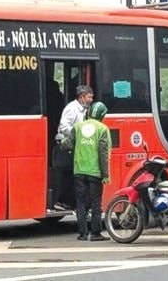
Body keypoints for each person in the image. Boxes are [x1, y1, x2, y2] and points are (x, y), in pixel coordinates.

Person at [60, 101, 111, 241]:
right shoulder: (103, 129)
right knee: (95, 203)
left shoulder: (78, 127)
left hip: (79, 171)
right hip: (95, 173)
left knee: (80, 202)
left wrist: (60, 142)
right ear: (102, 115)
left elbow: (67, 144)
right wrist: (105, 175)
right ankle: (95, 233)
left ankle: (82, 233)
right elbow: (103, 154)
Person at [54, 85, 94, 211]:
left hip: (78, 146)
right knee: (74, 176)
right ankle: (63, 202)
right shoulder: (72, 108)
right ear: (82, 97)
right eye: (89, 97)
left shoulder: (84, 109)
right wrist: (79, 133)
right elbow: (64, 126)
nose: (91, 99)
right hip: (70, 147)